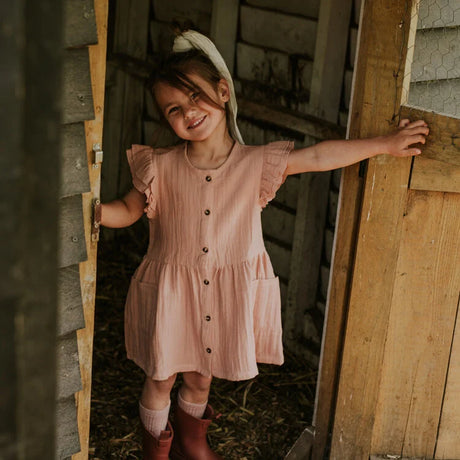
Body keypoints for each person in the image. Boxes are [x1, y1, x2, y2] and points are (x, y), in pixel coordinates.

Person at [98, 30, 429, 460]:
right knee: (161, 377)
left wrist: (385, 144)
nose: (188, 112)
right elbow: (129, 208)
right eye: (174, 109)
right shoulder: (159, 166)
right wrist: (96, 212)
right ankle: (155, 453)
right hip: (172, 292)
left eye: (195, 96)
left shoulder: (256, 164)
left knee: (201, 377)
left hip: (219, 293)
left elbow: (318, 157)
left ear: (222, 91)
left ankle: (191, 445)